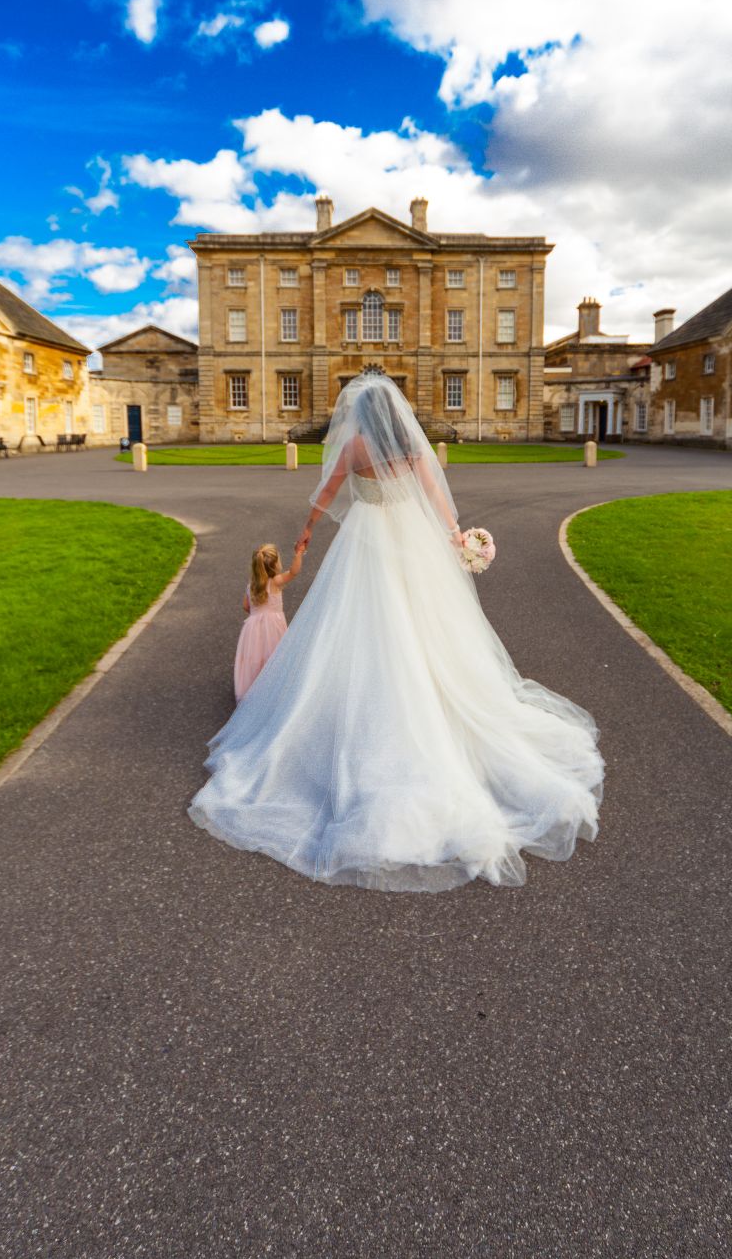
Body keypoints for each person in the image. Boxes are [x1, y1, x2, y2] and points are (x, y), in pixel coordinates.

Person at [188, 370, 604, 892]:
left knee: (354, 623)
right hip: (412, 539)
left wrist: (308, 532)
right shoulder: (412, 444)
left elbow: (326, 493)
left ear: (362, 415)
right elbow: (436, 497)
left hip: (365, 540)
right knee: (427, 623)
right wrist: (457, 539)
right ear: (397, 413)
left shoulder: (357, 445)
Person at [234, 541, 306, 701]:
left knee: (255, 657)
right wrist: (299, 553)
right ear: (275, 565)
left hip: (252, 627)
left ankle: (255, 690)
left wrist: (256, 615)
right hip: (273, 626)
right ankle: (273, 689)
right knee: (273, 654)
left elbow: (246, 606)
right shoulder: (275, 582)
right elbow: (294, 572)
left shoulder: (251, 585)